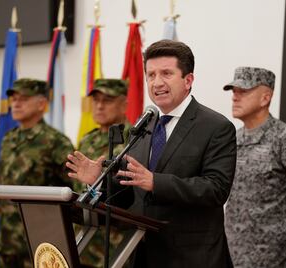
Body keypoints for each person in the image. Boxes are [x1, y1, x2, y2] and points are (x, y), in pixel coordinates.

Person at [67, 39, 237, 267]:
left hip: (191, 257)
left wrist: (155, 181)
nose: (157, 82)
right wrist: (98, 182)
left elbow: (216, 189)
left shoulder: (215, 127)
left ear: (188, 80)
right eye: (151, 75)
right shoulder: (144, 125)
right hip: (141, 253)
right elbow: (130, 190)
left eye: (166, 73)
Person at [223, 67, 286, 268]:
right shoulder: (233, 139)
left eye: (243, 91)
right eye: (234, 91)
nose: (235, 98)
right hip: (234, 251)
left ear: (265, 98)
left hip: (274, 255)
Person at [0, 78, 74, 268]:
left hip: (40, 243)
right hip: (8, 240)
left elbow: (72, 191)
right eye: (14, 99)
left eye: (23, 98)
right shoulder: (9, 139)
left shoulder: (56, 142)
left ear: (41, 104)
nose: (16, 103)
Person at [74, 78, 132, 267]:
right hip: (83, 241)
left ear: (124, 104)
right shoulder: (87, 140)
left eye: (107, 100)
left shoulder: (135, 139)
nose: (99, 106)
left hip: (114, 242)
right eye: (96, 100)